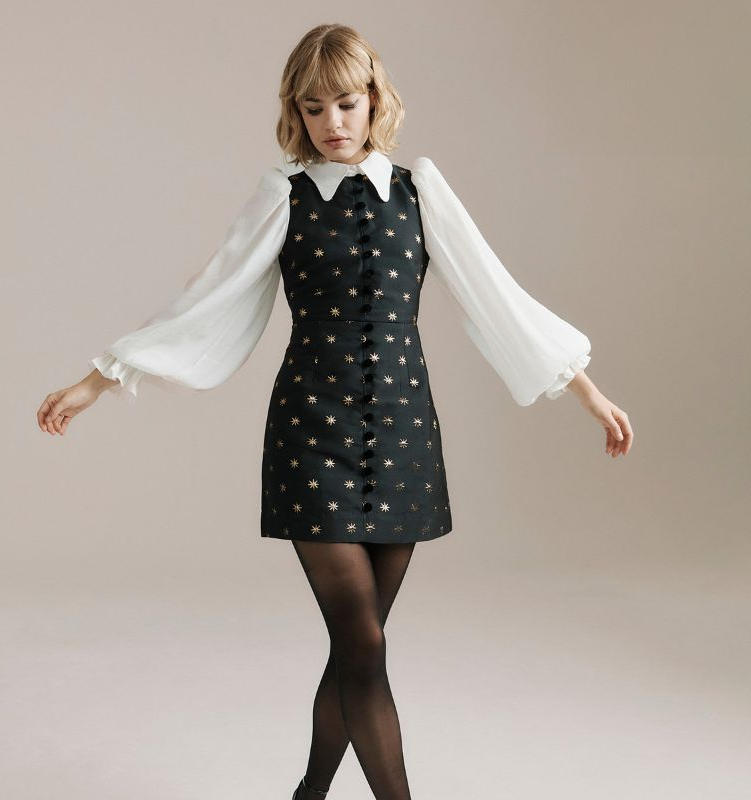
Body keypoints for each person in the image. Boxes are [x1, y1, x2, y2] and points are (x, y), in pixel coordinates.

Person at [36, 23, 633, 800]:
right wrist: (98, 380)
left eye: (346, 103)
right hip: (310, 435)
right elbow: (205, 298)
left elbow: (497, 294)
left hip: (405, 439)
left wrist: (587, 391)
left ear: (375, 99)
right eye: (313, 108)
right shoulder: (281, 196)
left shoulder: (420, 191)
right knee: (363, 643)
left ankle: (307, 796)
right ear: (296, 112)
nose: (332, 123)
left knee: (360, 648)